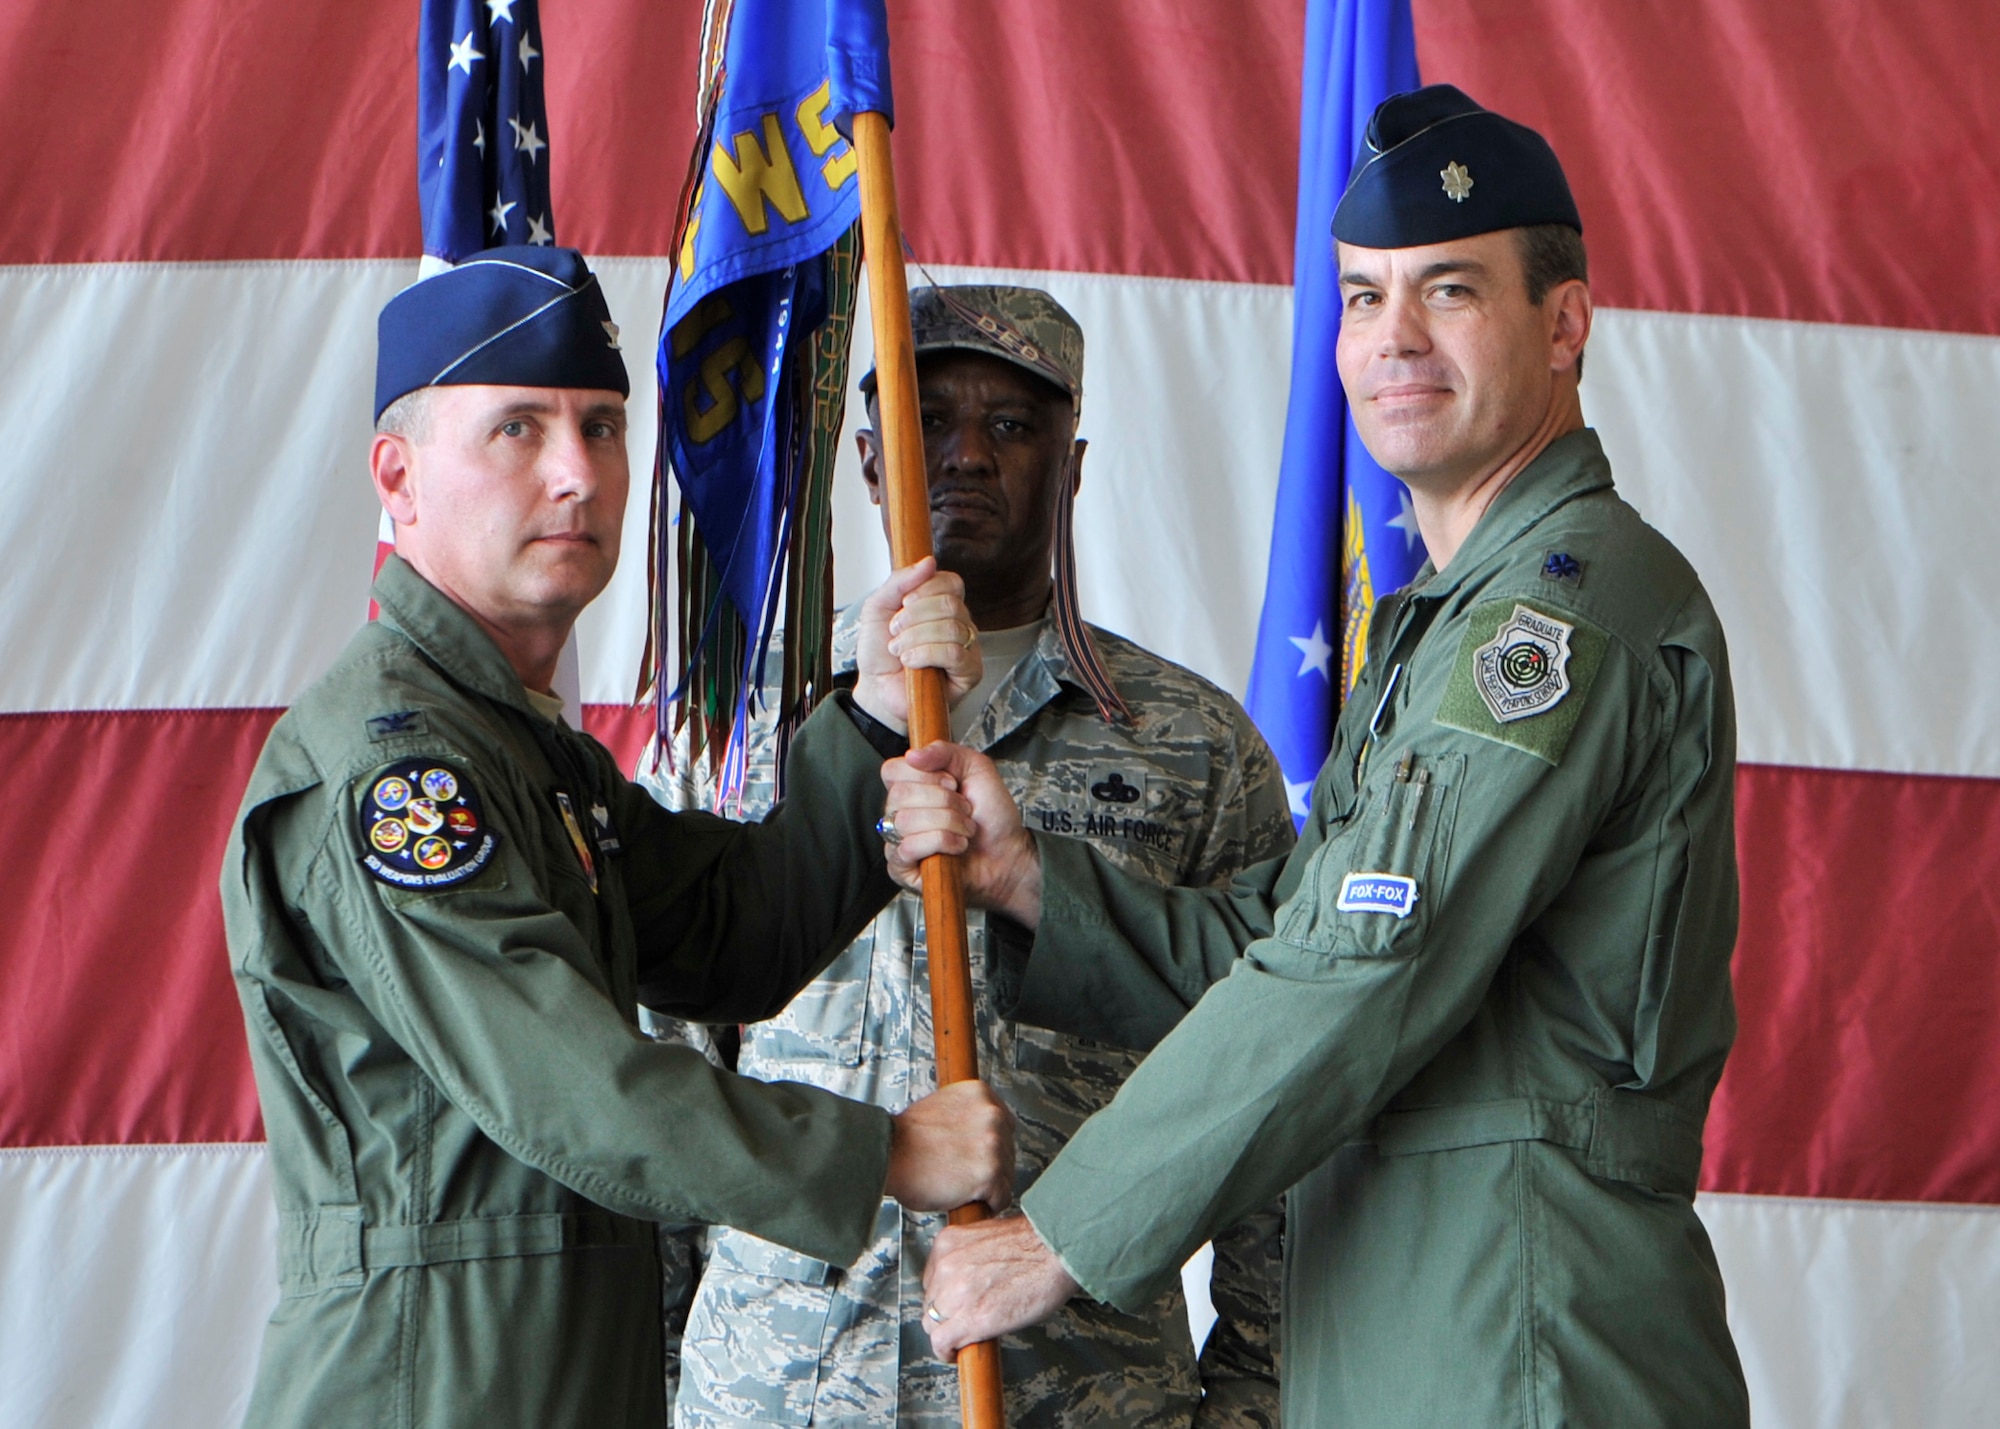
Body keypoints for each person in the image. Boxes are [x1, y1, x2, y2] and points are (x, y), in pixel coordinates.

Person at [891, 87, 1752, 1426]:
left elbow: (1361, 965)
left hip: (1517, 1328)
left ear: (1566, 323)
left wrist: (1058, 1235)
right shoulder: (1445, 617)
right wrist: (1031, 883)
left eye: (1449, 292)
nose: (1391, 341)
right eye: (1361, 298)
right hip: (1419, 1309)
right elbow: (1288, 936)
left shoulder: (1558, 617)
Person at [218, 245, 1015, 1429]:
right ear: (398, 477)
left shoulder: (524, 747)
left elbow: (725, 935)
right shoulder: (399, 769)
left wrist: (869, 716)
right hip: (429, 1381)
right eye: (516, 430)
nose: (576, 474)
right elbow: (572, 1089)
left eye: (600, 427)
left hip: (549, 1370)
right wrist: (879, 1153)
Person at [642, 286, 1294, 1428]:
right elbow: (659, 1077)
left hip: (1083, 1393)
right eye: (928, 420)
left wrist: (1250, 1396)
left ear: (1073, 462)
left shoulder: (1192, 746)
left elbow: (1272, 1082)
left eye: (1011, 425)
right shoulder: (743, 731)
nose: (966, 456)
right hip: (778, 1391)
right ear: (867, 458)